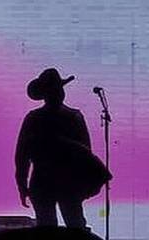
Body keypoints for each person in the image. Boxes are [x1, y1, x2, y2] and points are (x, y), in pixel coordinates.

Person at [15, 68, 108, 229]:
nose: (59, 93)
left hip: (45, 181)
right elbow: (86, 154)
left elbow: (22, 156)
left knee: (50, 226)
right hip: (66, 182)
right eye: (56, 89)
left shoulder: (33, 118)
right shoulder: (74, 117)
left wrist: (22, 184)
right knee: (74, 226)